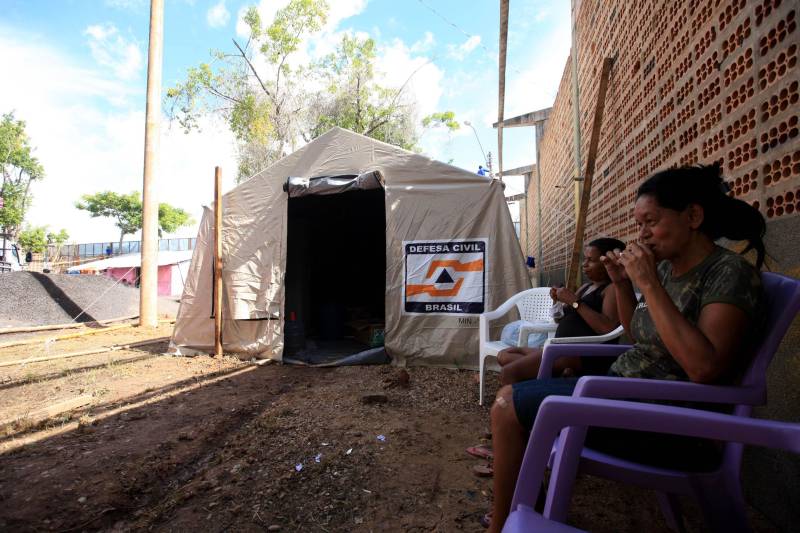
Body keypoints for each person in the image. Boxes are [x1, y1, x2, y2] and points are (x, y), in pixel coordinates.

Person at [485, 163, 766, 532]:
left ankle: (505, 522)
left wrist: (647, 284)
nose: (643, 236)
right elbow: (638, 338)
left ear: (693, 216)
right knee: (512, 393)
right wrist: (622, 284)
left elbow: (704, 368)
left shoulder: (727, 272)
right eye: (639, 226)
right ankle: (526, 504)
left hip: (668, 421)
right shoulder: (668, 270)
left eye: (651, 222)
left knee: (508, 405)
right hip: (625, 392)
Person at [496, 237, 626, 385]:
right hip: (559, 349)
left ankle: (546, 383)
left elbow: (607, 329)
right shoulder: (585, 287)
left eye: (591, 260)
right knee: (504, 355)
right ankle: (556, 374)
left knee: (509, 372)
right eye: (585, 259)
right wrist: (556, 301)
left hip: (582, 354)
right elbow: (559, 319)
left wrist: (574, 302)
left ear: (606, 263)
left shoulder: (612, 289)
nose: (584, 264)